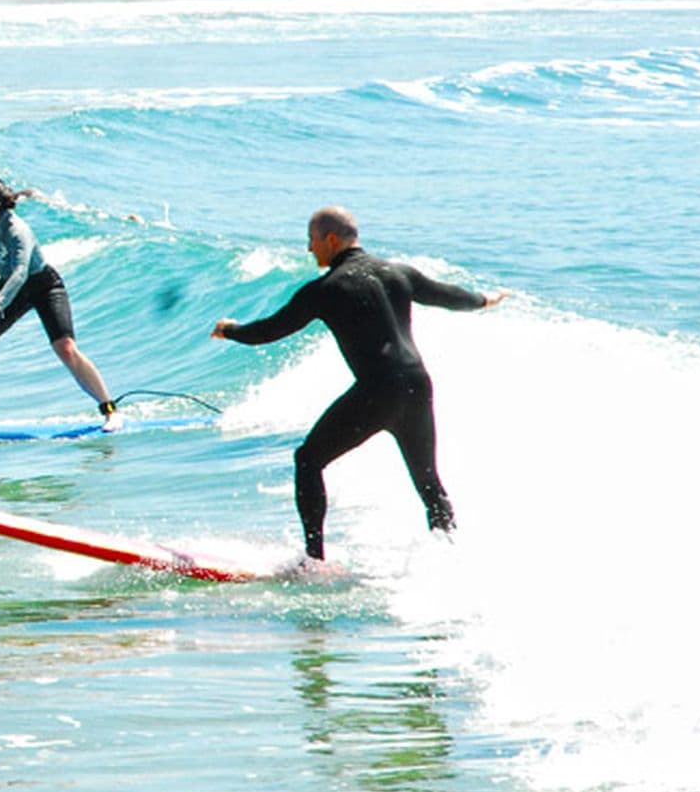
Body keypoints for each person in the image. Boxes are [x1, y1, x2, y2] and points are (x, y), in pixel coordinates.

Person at [211, 206, 503, 564]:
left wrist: (229, 330)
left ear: (330, 239)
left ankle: (314, 561)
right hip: (417, 384)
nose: (309, 249)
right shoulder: (398, 272)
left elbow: (270, 330)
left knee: (308, 460)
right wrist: (483, 300)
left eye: (312, 240)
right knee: (429, 483)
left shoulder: (326, 289)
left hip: (377, 390)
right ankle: (452, 559)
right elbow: (447, 296)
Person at [0, 174, 117, 432]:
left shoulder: (16, 230)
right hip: (11, 286)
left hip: (42, 284)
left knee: (66, 348)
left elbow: (20, 271)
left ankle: (109, 410)